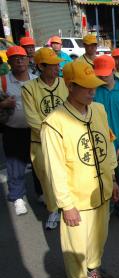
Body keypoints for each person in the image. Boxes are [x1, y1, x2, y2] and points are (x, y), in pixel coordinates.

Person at [40, 61, 119, 278]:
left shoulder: (97, 110)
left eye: (93, 86)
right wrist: (66, 204)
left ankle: (94, 267)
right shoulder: (54, 123)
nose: (92, 92)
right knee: (75, 248)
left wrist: (114, 178)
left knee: (99, 237)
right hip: (76, 197)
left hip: (102, 191)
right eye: (86, 88)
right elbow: (55, 167)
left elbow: (107, 147)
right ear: (70, 86)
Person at [22, 47, 68, 229]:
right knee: (47, 178)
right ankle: (53, 210)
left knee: (68, 174)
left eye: (58, 65)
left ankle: (68, 206)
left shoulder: (65, 84)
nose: (57, 68)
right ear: (41, 66)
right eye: (52, 65)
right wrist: (53, 133)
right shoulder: (29, 88)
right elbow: (32, 118)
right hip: (41, 142)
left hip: (66, 140)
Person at [93, 55, 119, 222]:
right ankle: (105, 208)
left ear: (113, 71)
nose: (102, 77)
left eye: (105, 74)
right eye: (99, 74)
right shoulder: (94, 91)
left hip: (118, 145)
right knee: (102, 177)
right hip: (99, 144)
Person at [0, 46, 36, 216]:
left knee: (39, 165)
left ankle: (42, 194)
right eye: (15, 58)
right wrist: (3, 105)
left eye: (22, 57)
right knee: (15, 166)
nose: (20, 60)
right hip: (13, 131)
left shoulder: (37, 80)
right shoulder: (2, 81)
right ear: (9, 62)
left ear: (28, 60)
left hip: (35, 131)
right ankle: (17, 197)